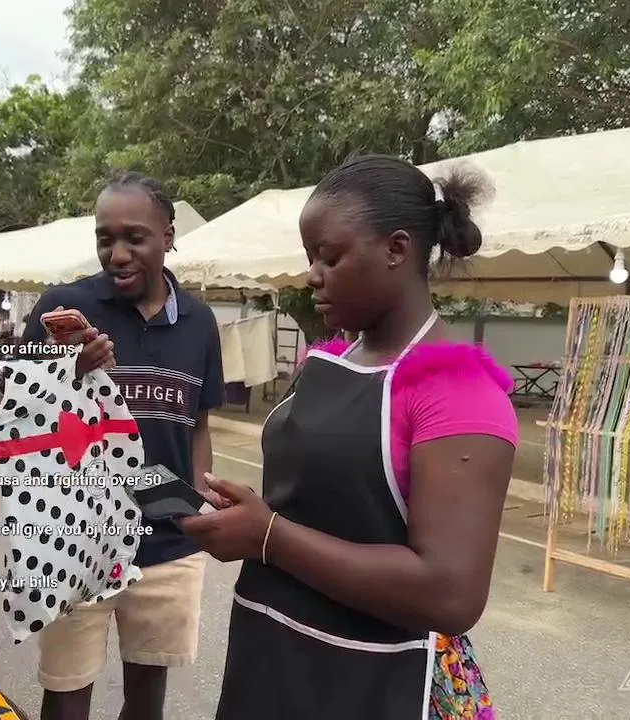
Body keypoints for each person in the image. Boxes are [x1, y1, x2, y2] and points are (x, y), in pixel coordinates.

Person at [179, 154, 517, 719]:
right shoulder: (330, 360)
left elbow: (450, 594)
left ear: (397, 249)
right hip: (275, 656)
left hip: (379, 679)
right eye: (310, 257)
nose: (312, 275)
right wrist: (253, 516)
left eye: (329, 257)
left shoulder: (460, 395)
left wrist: (269, 536)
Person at [19, 172, 223, 720]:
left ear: (168, 236)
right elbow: (18, 414)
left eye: (135, 237)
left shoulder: (200, 323)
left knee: (147, 699)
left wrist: (198, 504)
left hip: (167, 544)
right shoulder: (63, 309)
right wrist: (69, 372)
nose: (118, 253)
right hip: (74, 537)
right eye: (105, 238)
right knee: (66, 695)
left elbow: (197, 425)